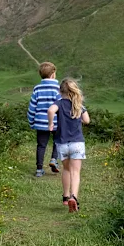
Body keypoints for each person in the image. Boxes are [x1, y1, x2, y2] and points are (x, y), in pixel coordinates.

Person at [47, 79, 90, 213]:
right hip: (77, 142)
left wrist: (51, 124)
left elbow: (50, 110)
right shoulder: (78, 104)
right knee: (75, 172)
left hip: (62, 143)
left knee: (66, 169)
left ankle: (65, 197)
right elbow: (87, 120)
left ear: (60, 91)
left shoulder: (59, 103)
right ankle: (74, 197)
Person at [27, 62, 61, 177]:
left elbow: (32, 107)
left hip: (40, 123)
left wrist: (32, 122)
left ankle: (39, 169)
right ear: (53, 74)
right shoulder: (59, 88)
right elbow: (62, 106)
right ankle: (53, 159)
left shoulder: (37, 89)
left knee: (41, 145)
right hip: (57, 122)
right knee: (58, 141)